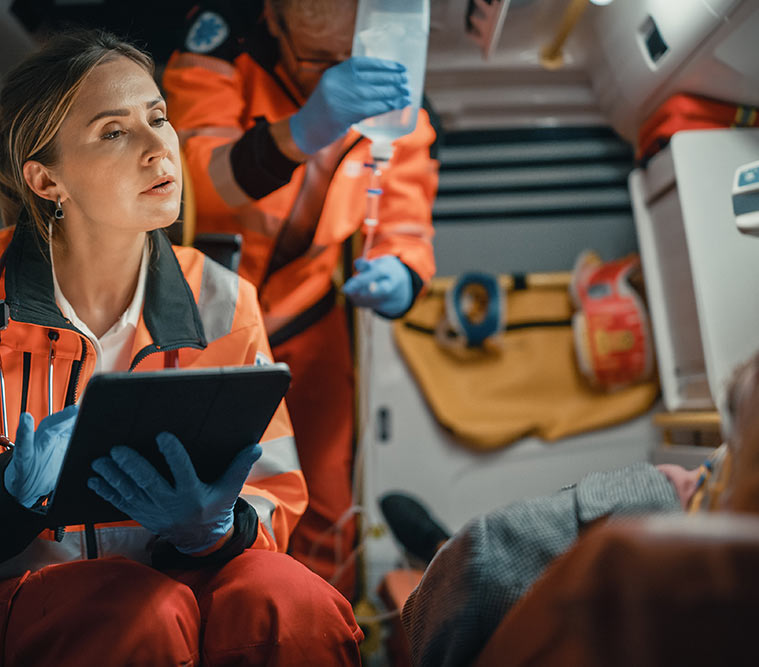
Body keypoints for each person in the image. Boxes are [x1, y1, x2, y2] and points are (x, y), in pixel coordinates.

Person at [0, 30, 362, 666]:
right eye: (114, 131)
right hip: (33, 594)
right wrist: (12, 504)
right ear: (45, 179)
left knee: (293, 603)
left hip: (189, 574)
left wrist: (214, 529)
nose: (157, 148)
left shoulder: (222, 296)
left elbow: (274, 492)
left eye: (158, 118)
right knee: (141, 613)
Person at [162, 0, 439, 599]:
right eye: (316, 58)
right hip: (212, 319)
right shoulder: (218, 50)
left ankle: (326, 628)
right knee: (198, 496)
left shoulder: (398, 89)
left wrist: (400, 274)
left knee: (327, 502)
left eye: (349, 57)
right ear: (274, 20)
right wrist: (302, 131)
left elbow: (407, 220)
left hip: (312, 318)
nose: (333, 73)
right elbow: (193, 189)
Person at [399, 372, 748, 667]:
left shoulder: (629, 558)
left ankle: (437, 544)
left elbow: (481, 558)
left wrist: (643, 500)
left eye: (710, 476)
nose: (673, 475)